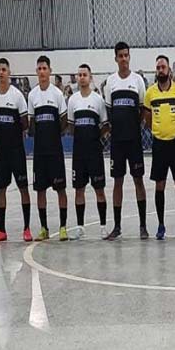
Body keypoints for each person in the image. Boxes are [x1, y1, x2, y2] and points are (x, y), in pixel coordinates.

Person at [102, 42, 149, 240]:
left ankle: (143, 226)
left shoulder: (138, 81)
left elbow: (142, 110)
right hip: (117, 142)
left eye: (126, 55)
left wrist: (133, 127)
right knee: (117, 182)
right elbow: (108, 111)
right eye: (120, 56)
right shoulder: (110, 83)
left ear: (130, 57)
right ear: (115, 58)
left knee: (138, 180)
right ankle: (118, 226)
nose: (123, 59)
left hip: (134, 141)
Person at [143, 56, 175, 240]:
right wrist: (158, 129)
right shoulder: (150, 93)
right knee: (160, 185)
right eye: (158, 67)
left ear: (169, 69)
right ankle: (161, 225)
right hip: (159, 144)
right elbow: (147, 118)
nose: (160, 70)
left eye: (163, 67)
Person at [0, 58, 33, 243]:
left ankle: (27, 228)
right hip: (1, 152)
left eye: (3, 69)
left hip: (16, 150)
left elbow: (25, 123)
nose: (0, 72)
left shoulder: (17, 96)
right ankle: (1, 229)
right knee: (0, 189)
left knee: (23, 188)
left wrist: (14, 131)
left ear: (9, 72)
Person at [28, 56, 69, 241]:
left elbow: (63, 122)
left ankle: (62, 227)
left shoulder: (57, 95)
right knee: (40, 190)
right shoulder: (32, 95)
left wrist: (54, 138)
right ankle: (44, 228)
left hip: (55, 151)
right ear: (36, 72)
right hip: (39, 152)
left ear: (50, 71)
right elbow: (31, 123)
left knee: (61, 189)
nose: (42, 71)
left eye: (45, 68)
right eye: (39, 68)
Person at [67, 64, 109, 240]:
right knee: (79, 190)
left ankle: (103, 226)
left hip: (95, 152)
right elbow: (70, 126)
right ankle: (80, 227)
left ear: (90, 78)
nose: (82, 77)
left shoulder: (98, 100)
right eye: (79, 75)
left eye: (85, 74)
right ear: (77, 78)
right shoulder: (73, 100)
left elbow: (105, 125)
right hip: (79, 153)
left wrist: (93, 138)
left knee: (99, 189)